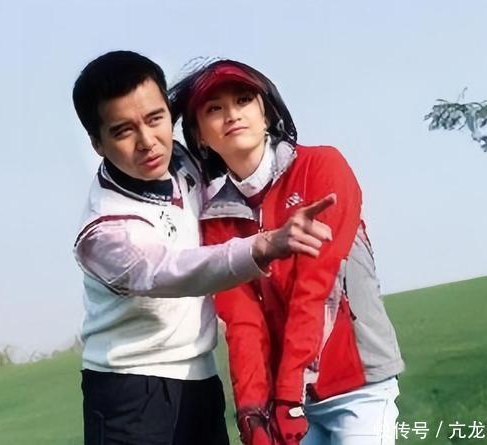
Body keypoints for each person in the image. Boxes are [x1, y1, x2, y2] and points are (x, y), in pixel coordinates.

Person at [71, 51, 335, 445]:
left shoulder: (184, 161)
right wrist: (263, 246)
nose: (147, 142)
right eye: (124, 131)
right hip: (129, 392)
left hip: (201, 381)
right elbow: (169, 271)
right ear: (97, 143)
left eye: (155, 119)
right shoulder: (103, 230)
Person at [170, 59, 405, 445]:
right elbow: (243, 322)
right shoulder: (215, 219)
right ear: (199, 136)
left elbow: (319, 289)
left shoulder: (322, 166)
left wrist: (287, 396)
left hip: (358, 386)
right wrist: (251, 411)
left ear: (266, 112)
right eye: (214, 108)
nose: (232, 114)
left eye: (243, 100)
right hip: (289, 400)